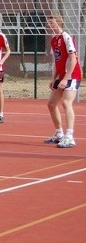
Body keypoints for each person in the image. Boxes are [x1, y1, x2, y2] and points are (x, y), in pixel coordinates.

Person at [44, 14, 81, 148]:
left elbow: (73, 59)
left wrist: (66, 78)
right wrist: (53, 79)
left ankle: (69, 136)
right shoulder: (53, 40)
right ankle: (59, 133)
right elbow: (57, 61)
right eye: (48, 24)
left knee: (66, 103)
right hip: (61, 76)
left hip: (72, 75)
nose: (49, 26)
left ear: (58, 23)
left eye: (52, 23)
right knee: (51, 104)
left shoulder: (67, 37)